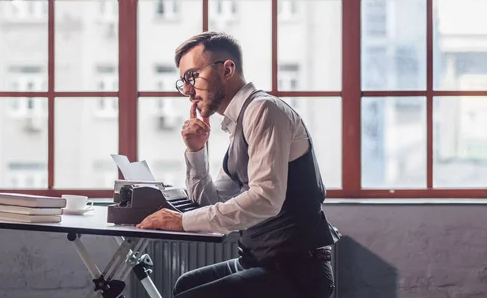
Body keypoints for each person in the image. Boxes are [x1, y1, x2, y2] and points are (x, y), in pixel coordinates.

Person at [136, 31, 340, 298]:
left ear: (227, 69)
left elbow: (266, 199)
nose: (187, 90)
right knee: (185, 285)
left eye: (192, 77)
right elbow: (209, 202)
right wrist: (196, 151)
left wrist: (182, 221)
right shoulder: (239, 123)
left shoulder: (265, 111)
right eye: (183, 81)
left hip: (297, 271)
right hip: (261, 261)